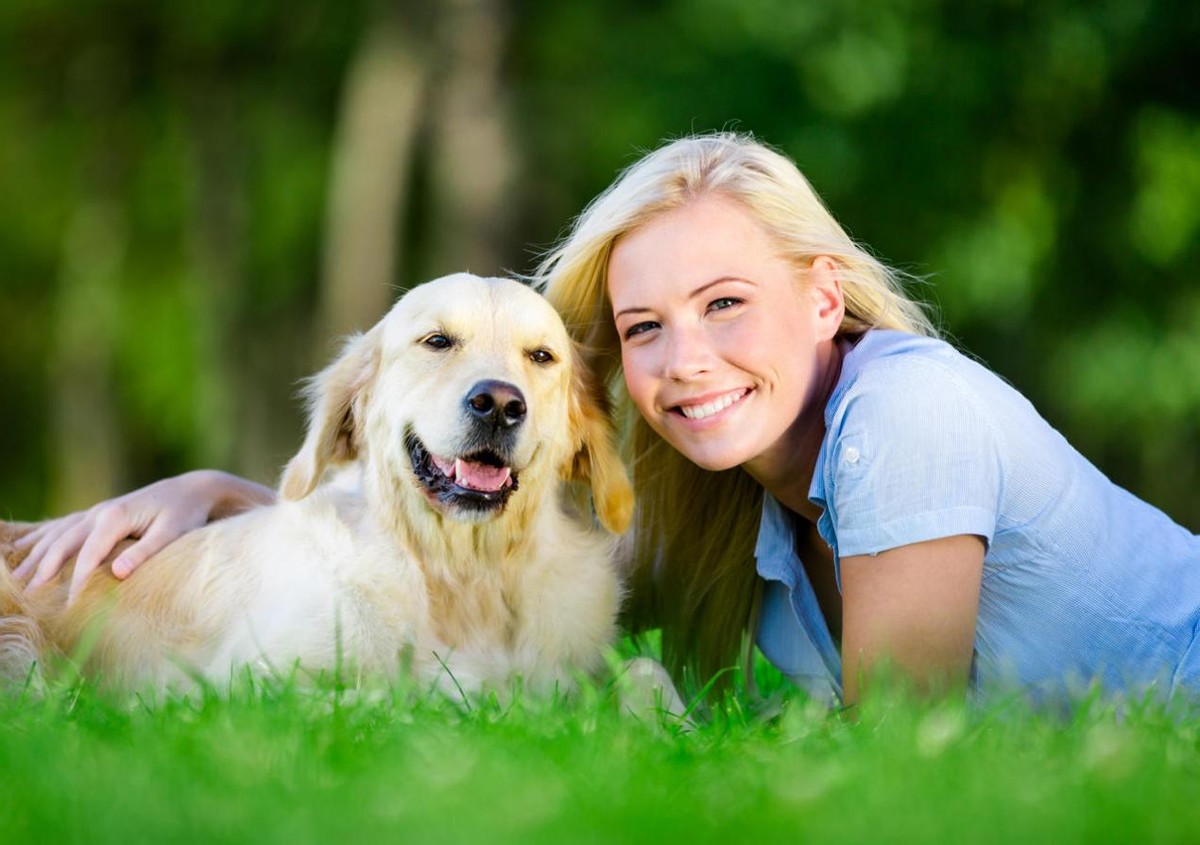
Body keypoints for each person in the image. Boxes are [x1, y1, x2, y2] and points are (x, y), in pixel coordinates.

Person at [16, 133, 1200, 708]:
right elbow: (494, 568)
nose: (687, 361)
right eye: (644, 328)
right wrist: (215, 497)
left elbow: (906, 759)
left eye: (725, 304)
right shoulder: (729, 506)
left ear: (823, 297)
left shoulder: (909, 411)